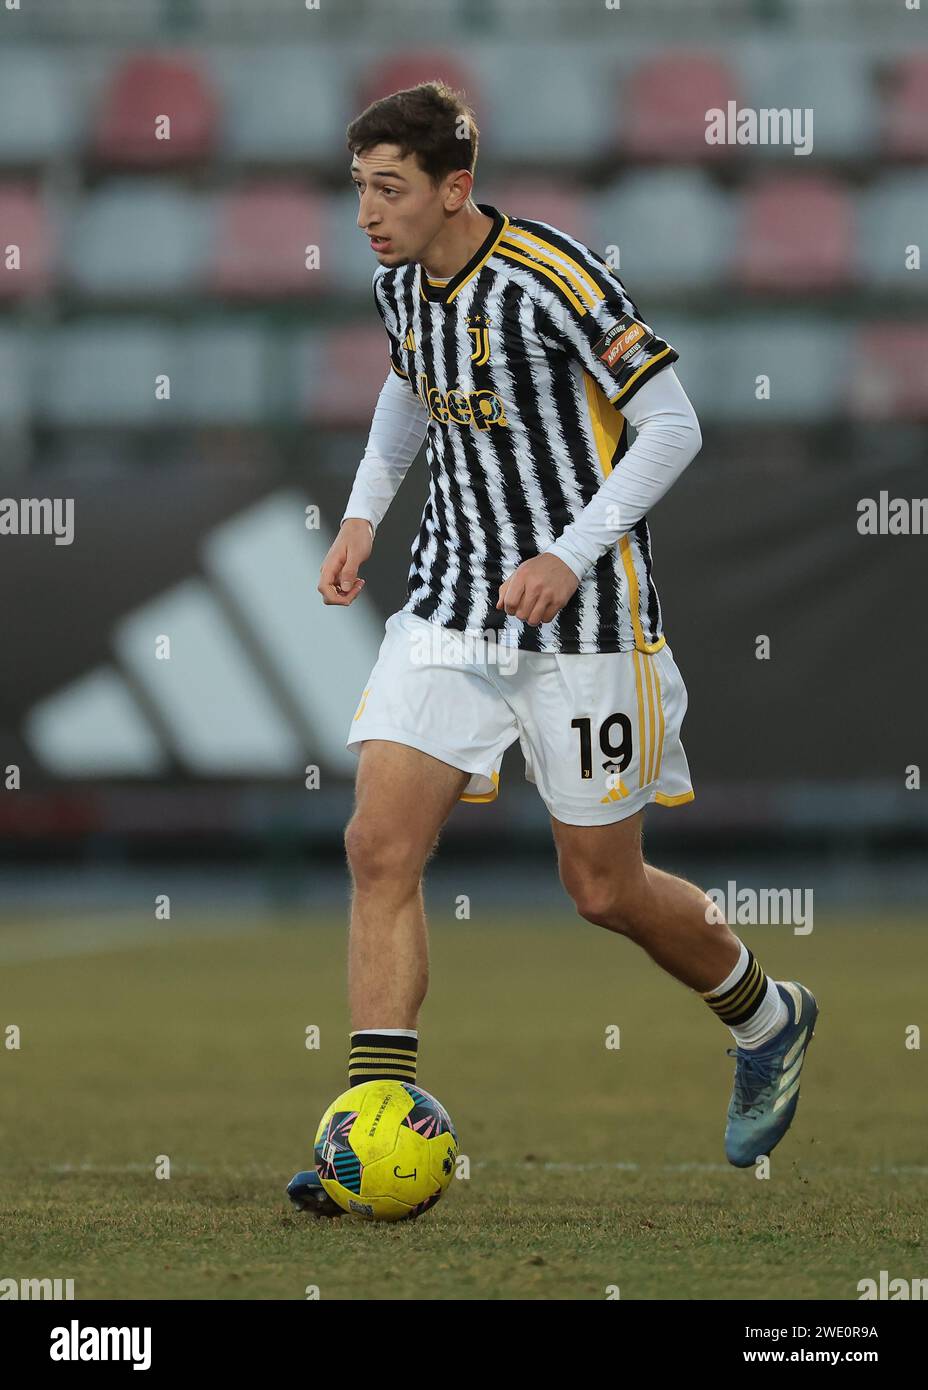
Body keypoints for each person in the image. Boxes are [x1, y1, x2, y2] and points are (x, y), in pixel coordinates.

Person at [288, 81, 817, 1216]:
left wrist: (569, 553)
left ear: (454, 188)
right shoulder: (399, 278)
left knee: (602, 887)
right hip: (447, 609)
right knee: (379, 846)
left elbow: (673, 422)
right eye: (360, 190)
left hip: (582, 619)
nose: (369, 213)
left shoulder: (553, 278)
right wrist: (363, 511)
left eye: (390, 189)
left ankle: (766, 1014)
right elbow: (407, 389)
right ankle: (373, 1120)